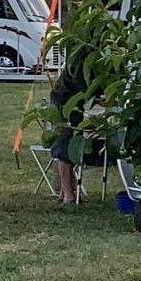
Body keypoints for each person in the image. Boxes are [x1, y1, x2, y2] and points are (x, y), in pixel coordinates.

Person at [48, 46, 89, 204]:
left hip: (75, 104)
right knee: (64, 143)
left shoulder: (83, 57)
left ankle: (67, 191)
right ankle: (67, 193)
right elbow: (84, 88)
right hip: (63, 102)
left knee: (71, 145)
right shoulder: (79, 62)